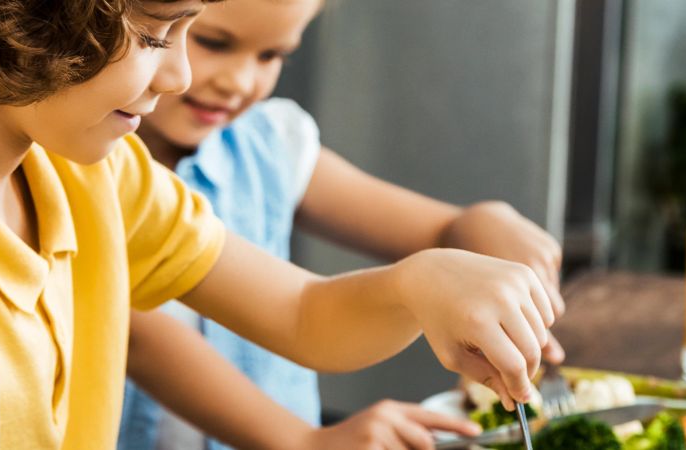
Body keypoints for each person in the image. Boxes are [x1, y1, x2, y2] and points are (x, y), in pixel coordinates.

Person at [0, 0, 557, 448]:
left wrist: (422, 283)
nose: (176, 76)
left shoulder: (92, 174)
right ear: (20, 16)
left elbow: (305, 315)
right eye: (154, 34)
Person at [120, 0, 565, 448]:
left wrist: (484, 222)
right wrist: (306, 440)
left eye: (271, 55)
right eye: (213, 42)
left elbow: (431, 234)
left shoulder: (269, 144)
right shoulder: (96, 172)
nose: (239, 81)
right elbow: (138, 340)